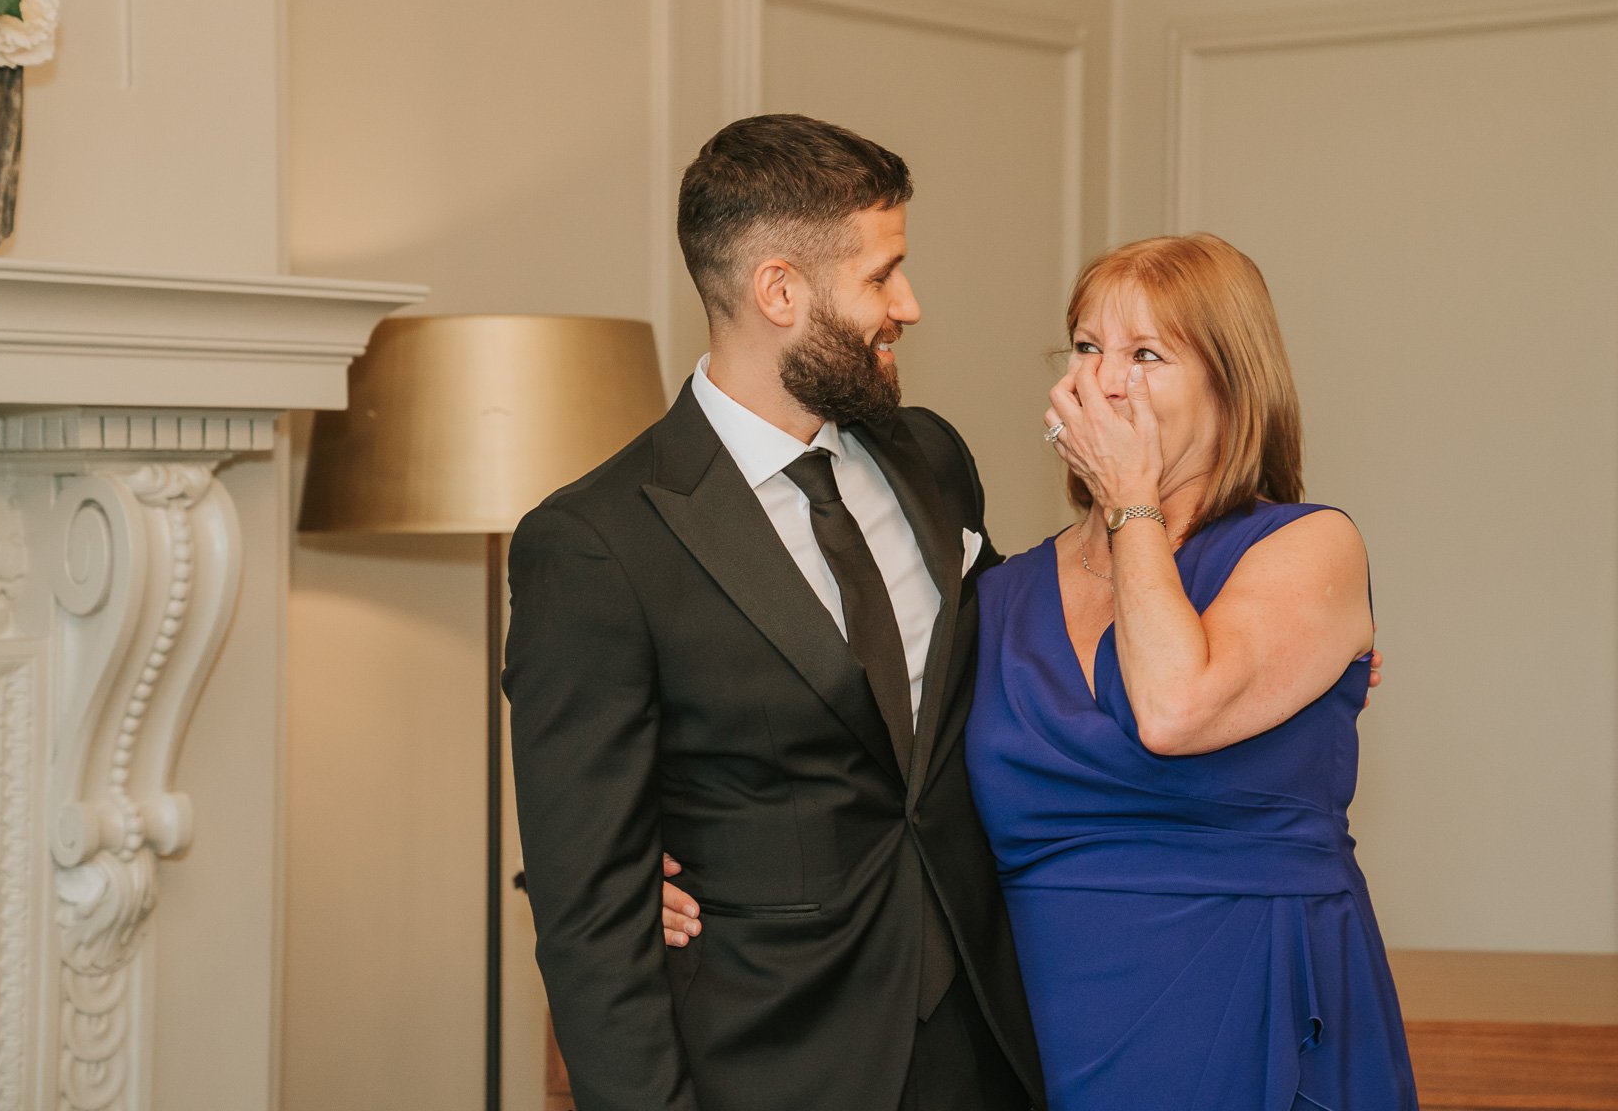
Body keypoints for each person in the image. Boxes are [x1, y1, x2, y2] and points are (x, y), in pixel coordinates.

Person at [502, 114, 1044, 1111]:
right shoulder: (595, 545)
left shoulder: (931, 458)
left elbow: (1015, 664)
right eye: (883, 275)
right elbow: (590, 919)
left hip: (986, 1044)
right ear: (780, 290)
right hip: (769, 1063)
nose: (910, 306)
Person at [964, 234, 1418, 1109]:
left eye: (1145, 355)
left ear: (1231, 383)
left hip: (1249, 1004)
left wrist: (1130, 498)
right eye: (1087, 348)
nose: (1101, 381)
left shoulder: (1308, 544)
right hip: (1039, 1026)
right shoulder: (1002, 591)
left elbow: (1171, 708)